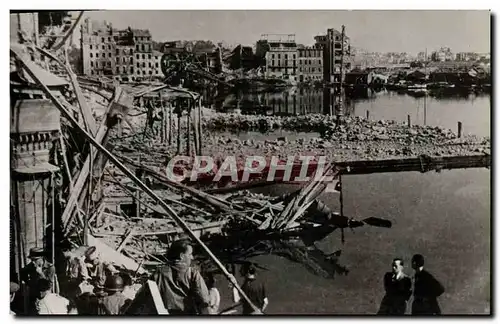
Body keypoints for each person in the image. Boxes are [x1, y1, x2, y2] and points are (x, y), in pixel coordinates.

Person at [152, 239, 210, 315]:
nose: (192, 257)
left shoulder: (159, 272)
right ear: (181, 256)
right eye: (190, 254)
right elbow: (204, 299)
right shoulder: (192, 273)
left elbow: (149, 296)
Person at [20, 248, 56, 314]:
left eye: (35, 260)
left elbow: (49, 285)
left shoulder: (50, 267)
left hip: (46, 296)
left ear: (41, 258)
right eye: (32, 260)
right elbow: (22, 272)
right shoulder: (31, 266)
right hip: (34, 296)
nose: (33, 262)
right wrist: (29, 283)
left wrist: (41, 273)